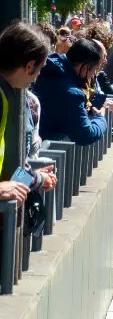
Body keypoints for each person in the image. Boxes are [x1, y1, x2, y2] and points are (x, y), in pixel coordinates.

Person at [0, 21, 58, 202]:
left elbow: (9, 178)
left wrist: (35, 177)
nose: (38, 75)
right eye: (40, 69)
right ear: (29, 66)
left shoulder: (6, 95)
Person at [33, 38, 113, 145]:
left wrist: (100, 101)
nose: (93, 74)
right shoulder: (72, 94)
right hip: (49, 148)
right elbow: (85, 135)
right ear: (85, 66)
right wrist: (100, 118)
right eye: (94, 69)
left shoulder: (49, 67)